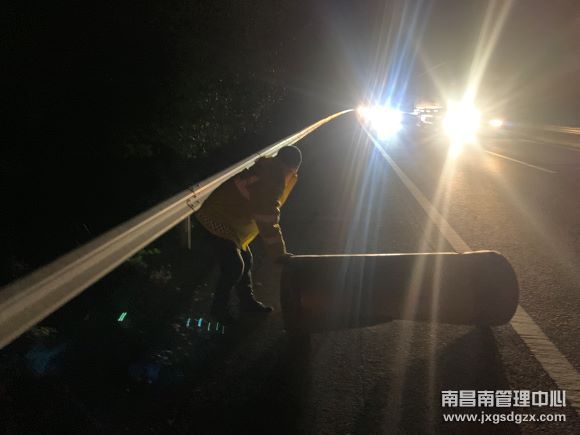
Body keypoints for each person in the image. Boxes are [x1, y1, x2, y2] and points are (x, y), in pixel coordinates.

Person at [194, 145, 302, 323]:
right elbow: (267, 218)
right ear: (292, 169)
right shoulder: (273, 178)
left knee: (246, 258)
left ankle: (246, 302)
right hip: (217, 219)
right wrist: (279, 254)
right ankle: (218, 309)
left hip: (224, 218)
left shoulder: (268, 168)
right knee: (234, 266)